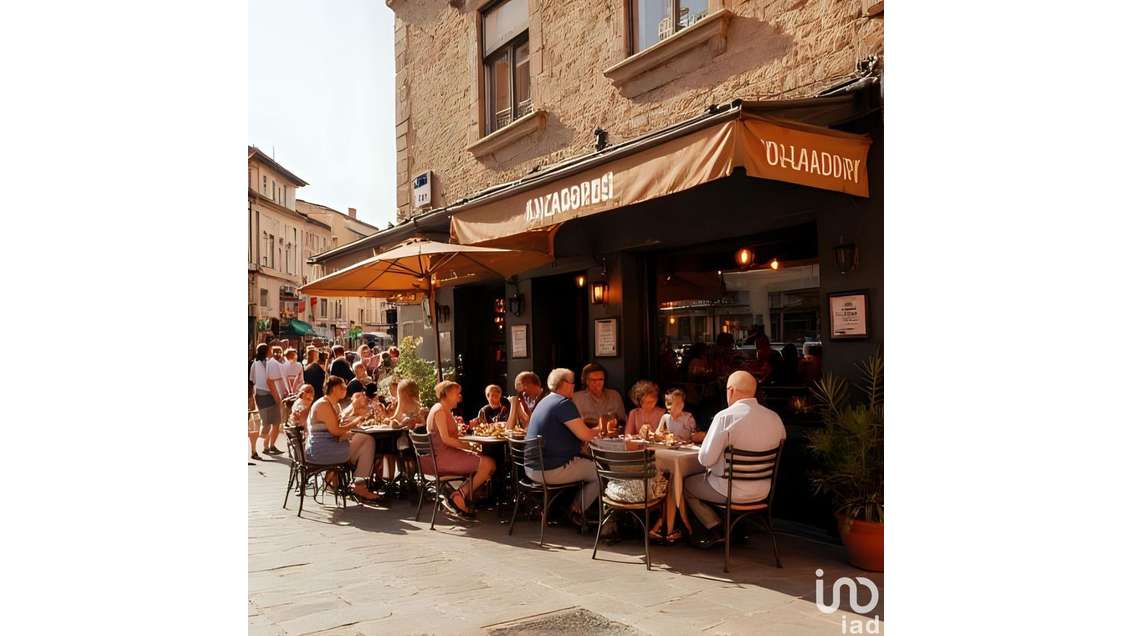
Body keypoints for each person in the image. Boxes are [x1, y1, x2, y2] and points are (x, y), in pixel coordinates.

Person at [683, 371, 786, 548]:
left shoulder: (725, 417)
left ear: (730, 390)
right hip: (763, 491)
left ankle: (717, 528)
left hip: (730, 491)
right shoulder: (774, 418)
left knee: (687, 486)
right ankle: (736, 529)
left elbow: (705, 459)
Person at [525, 368, 602, 526]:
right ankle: (576, 511)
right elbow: (585, 435)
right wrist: (603, 428)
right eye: (572, 383)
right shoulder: (563, 404)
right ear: (563, 384)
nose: (574, 386)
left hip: (531, 468)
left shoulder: (544, 401)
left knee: (586, 463)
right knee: (601, 472)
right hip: (549, 470)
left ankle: (566, 508)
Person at [421, 381, 496, 516]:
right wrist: (467, 446)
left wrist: (466, 442)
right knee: (488, 464)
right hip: (442, 459)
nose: (459, 397)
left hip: (440, 456)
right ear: (448, 394)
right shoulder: (440, 411)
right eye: (457, 394)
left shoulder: (442, 409)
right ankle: (460, 495)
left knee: (483, 458)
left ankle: (468, 496)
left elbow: (449, 436)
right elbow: (445, 439)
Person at [304, 376, 381, 503]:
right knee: (367, 441)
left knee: (365, 439)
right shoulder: (323, 405)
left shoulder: (334, 404)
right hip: (322, 451)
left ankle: (349, 482)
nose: (346, 389)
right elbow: (336, 430)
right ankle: (359, 485)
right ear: (334, 389)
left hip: (327, 446)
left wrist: (352, 425)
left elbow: (337, 430)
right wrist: (356, 421)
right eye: (343, 387)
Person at [249, 343, 285, 457]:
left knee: (267, 422)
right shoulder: (269, 363)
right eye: (270, 350)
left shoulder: (255, 363)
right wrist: (278, 398)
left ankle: (264, 447)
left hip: (259, 395)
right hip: (268, 395)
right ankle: (266, 446)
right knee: (274, 422)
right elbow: (271, 382)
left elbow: (253, 379)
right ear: (266, 351)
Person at [572, 362, 627, 431]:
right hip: (587, 435)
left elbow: (623, 421)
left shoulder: (614, 395)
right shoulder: (577, 397)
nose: (598, 383)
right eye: (593, 380)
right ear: (586, 381)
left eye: (600, 379)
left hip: (611, 435)